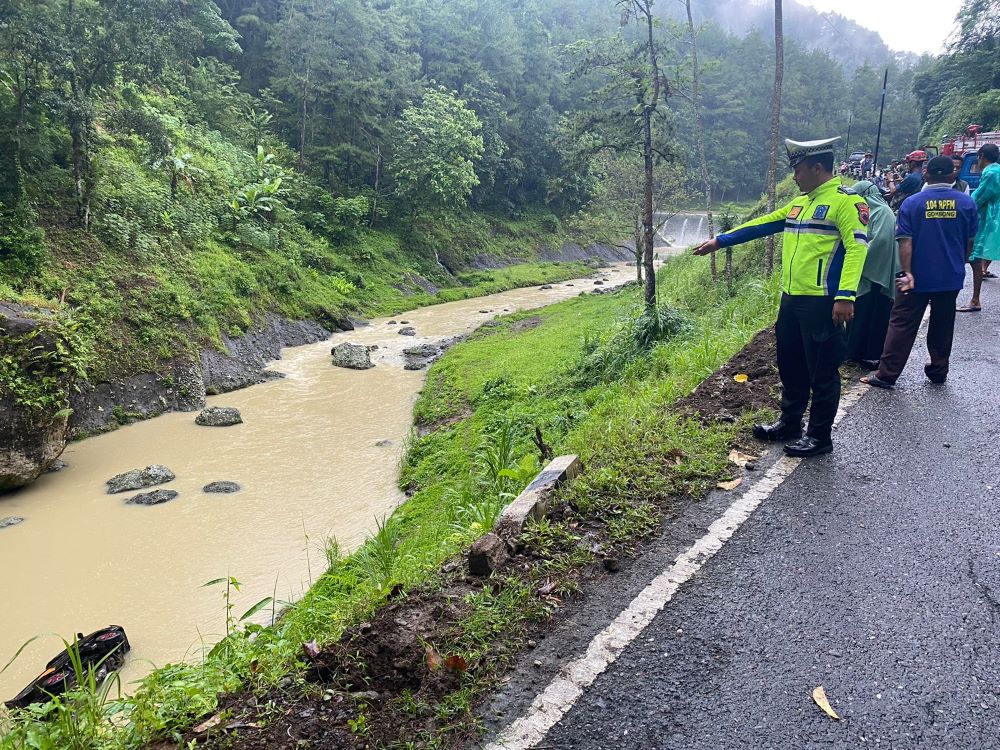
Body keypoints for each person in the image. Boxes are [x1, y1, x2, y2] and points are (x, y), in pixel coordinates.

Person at [694, 137, 868, 457]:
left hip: (823, 300)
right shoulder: (801, 203)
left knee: (822, 371)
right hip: (791, 299)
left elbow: (857, 248)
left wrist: (846, 295)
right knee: (790, 364)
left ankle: (819, 437)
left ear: (818, 168)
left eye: (799, 170)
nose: (795, 177)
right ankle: (790, 423)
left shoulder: (846, 202)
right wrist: (721, 241)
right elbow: (763, 224)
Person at [862, 156, 978, 388]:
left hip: (915, 277)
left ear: (926, 175)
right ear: (953, 176)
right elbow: (970, 242)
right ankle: (938, 371)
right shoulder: (967, 203)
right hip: (950, 276)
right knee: (943, 324)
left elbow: (905, 241)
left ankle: (887, 375)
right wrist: (959, 262)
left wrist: (907, 272)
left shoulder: (913, 203)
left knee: (902, 323)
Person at [846, 180, 899, 368]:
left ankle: (870, 355)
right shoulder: (865, 213)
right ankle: (854, 352)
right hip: (866, 270)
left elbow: (882, 241)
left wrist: (858, 258)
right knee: (859, 313)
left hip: (877, 272)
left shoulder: (883, 212)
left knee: (873, 313)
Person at [959, 143, 1000, 311]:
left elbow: (978, 197)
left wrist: (960, 206)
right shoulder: (997, 170)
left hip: (988, 219)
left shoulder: (990, 173)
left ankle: (974, 300)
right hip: (991, 217)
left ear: (981, 155)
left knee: (973, 255)